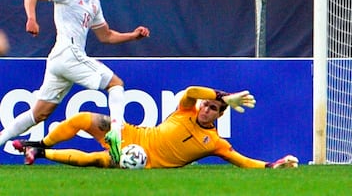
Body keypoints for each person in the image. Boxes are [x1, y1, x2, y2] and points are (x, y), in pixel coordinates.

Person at [0, 0, 150, 149]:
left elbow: (106, 36)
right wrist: (31, 19)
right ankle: (116, 133)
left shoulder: (94, 4)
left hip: (60, 61)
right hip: (68, 54)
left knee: (39, 114)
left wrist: (132, 36)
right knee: (116, 84)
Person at [13, 86, 299, 169]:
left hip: (145, 161)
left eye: (214, 108)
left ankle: (39, 155)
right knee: (83, 119)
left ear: (219, 116)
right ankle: (42, 144)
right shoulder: (187, 108)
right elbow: (190, 91)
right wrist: (222, 96)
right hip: (133, 134)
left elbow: (242, 161)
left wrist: (271, 166)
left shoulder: (214, 143)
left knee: (97, 160)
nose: (207, 109)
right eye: (207, 104)